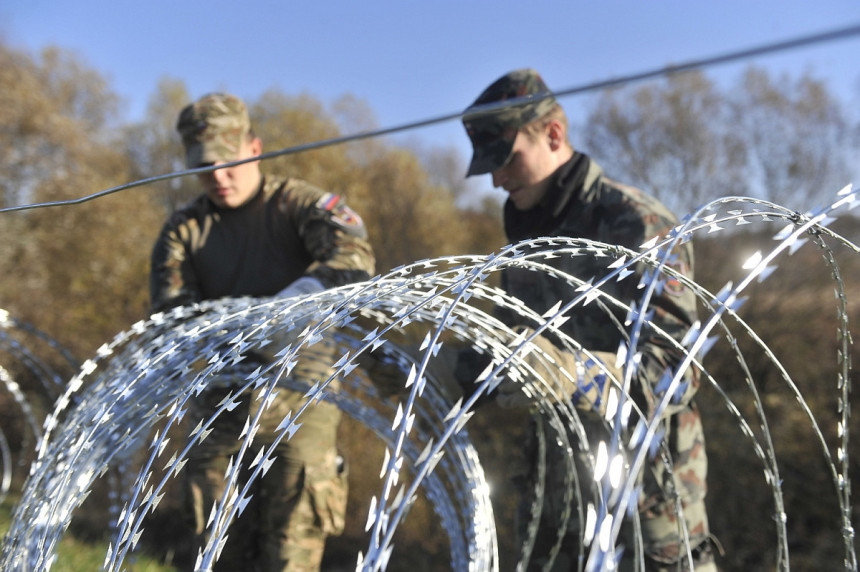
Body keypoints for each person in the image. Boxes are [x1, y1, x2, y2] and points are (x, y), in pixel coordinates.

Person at [457, 69, 716, 571]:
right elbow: (507, 349)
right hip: (555, 498)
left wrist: (571, 372)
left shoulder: (635, 223)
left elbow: (676, 371)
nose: (496, 180)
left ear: (553, 134)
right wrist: (440, 371)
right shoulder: (529, 240)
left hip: (645, 502)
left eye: (507, 160)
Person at [149, 92, 375, 571]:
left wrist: (299, 299)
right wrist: (235, 334)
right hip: (226, 391)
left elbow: (353, 256)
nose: (217, 177)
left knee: (292, 538)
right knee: (216, 543)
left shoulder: (296, 204)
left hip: (303, 389)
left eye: (227, 162)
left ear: (255, 148)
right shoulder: (185, 231)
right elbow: (173, 318)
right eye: (203, 166)